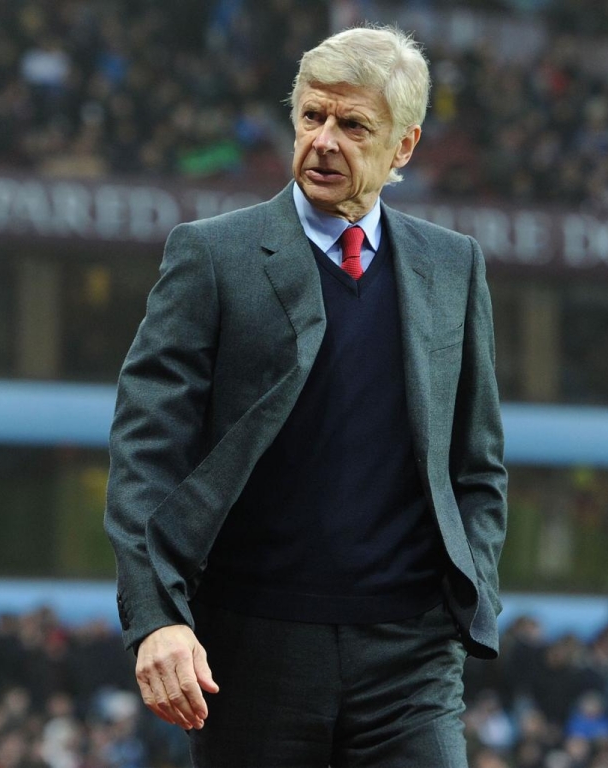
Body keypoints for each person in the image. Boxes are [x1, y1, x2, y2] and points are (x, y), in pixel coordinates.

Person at [103, 24, 508, 767]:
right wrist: (157, 617)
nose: (324, 141)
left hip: (412, 658)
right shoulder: (211, 257)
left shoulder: (455, 268)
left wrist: (472, 585)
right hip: (251, 652)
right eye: (312, 116)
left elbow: (477, 463)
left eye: (353, 126)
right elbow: (145, 452)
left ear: (404, 147)